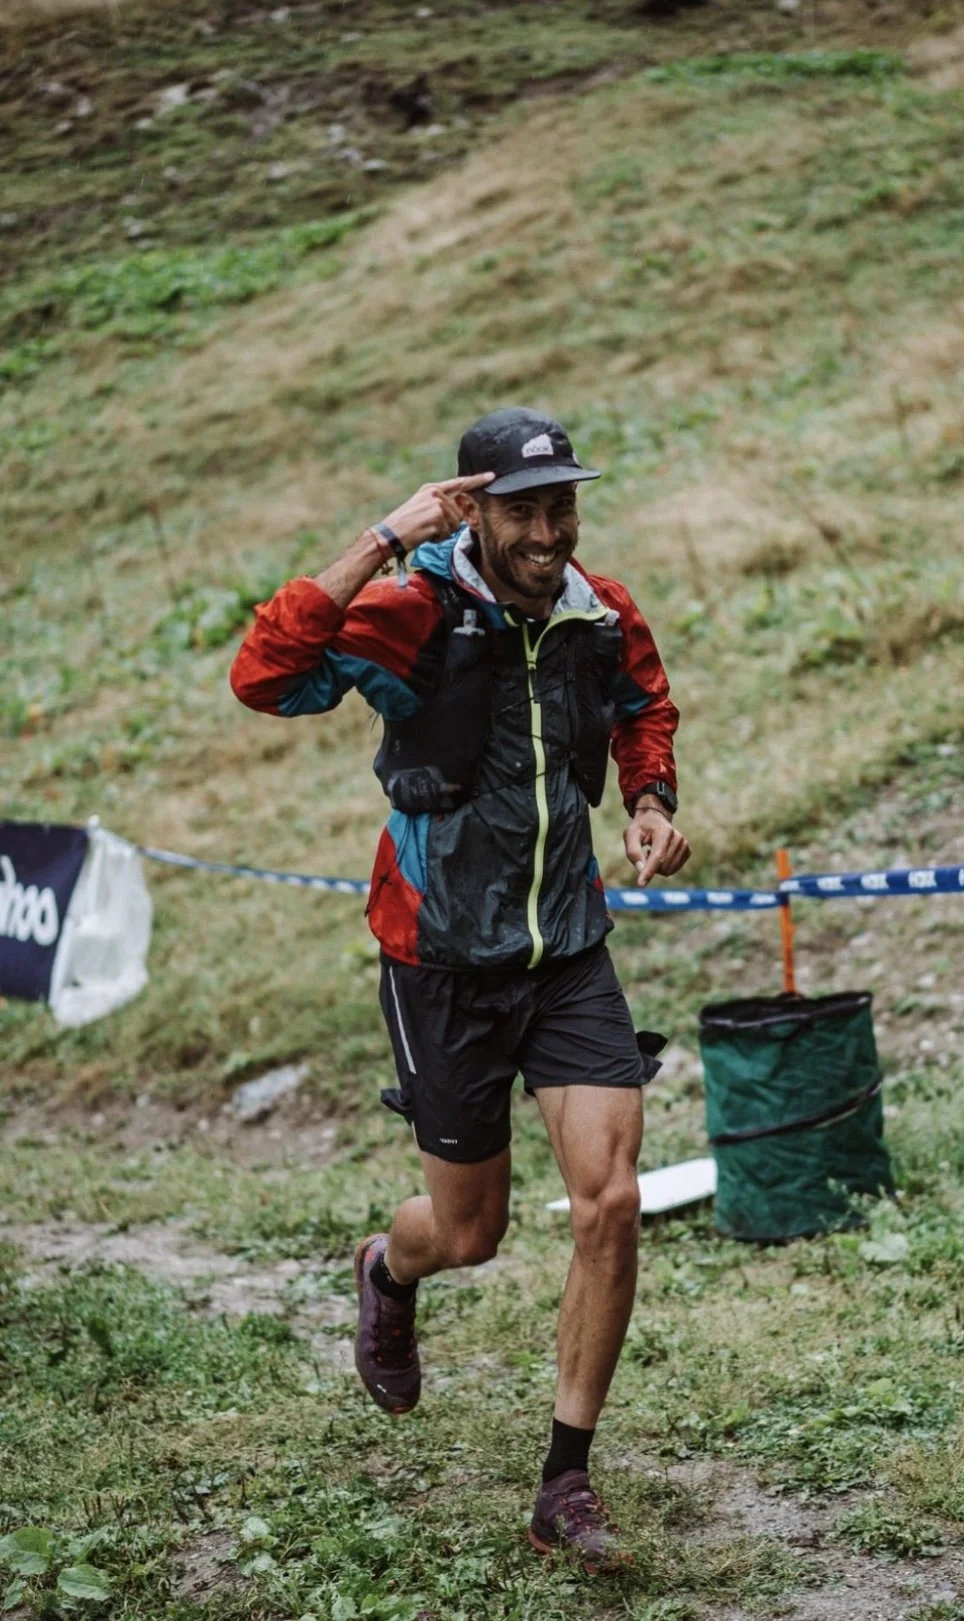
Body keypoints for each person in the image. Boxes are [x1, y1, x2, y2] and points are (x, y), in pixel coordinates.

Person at [230, 406, 690, 1570]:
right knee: (470, 1230)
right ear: (472, 507)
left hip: (567, 949)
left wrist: (650, 802)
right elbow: (264, 674)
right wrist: (386, 536)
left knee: (613, 1201)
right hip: (440, 957)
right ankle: (389, 1268)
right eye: (523, 508)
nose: (548, 532)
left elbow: (645, 706)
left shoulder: (598, 610)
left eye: (561, 505)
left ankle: (565, 1482)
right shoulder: (411, 611)